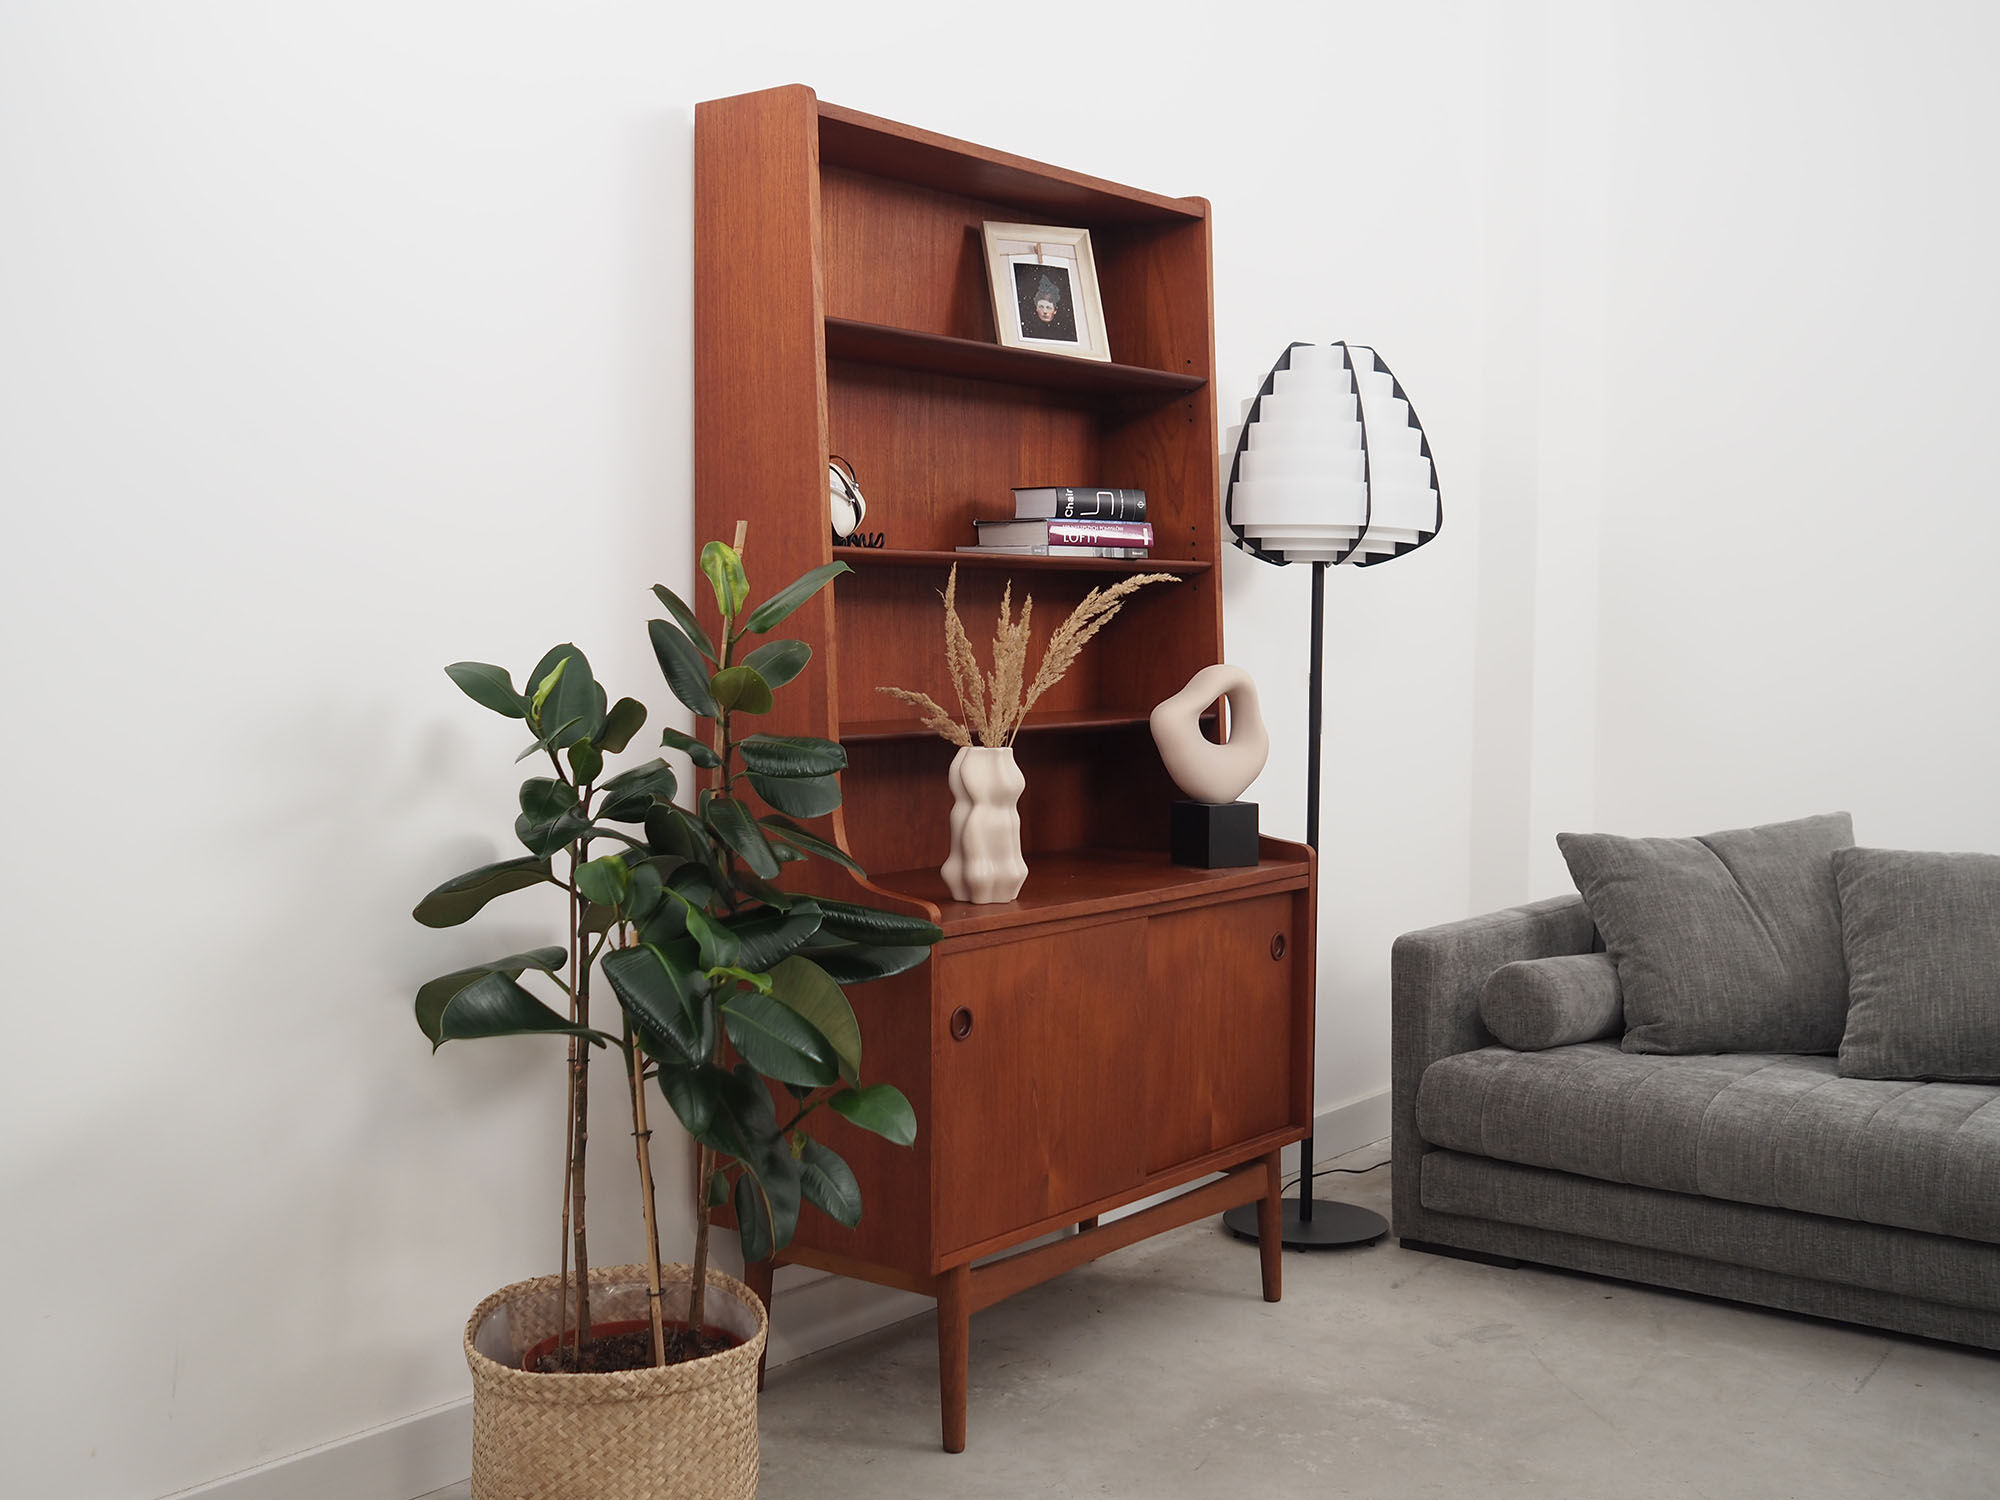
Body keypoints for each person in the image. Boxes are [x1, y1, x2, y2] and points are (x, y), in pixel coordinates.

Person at [1015, 264, 1077, 342]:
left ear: (1055, 310)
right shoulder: (1028, 330)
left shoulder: (1066, 332)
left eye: (1048, 307)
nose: (1044, 311)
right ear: (1036, 308)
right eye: (1041, 307)